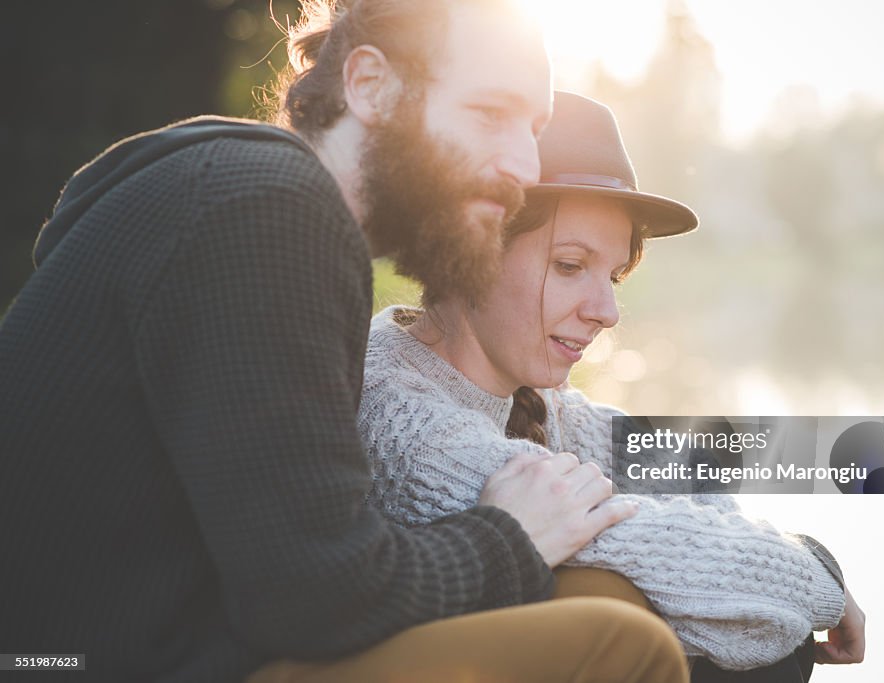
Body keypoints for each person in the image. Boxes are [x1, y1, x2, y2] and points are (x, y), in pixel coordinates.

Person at [0, 2, 691, 682]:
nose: (523, 163)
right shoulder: (266, 209)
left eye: (533, 128)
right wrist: (507, 537)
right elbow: (316, 596)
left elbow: (304, 561)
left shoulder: (262, 200)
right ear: (370, 86)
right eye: (490, 114)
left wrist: (770, 460)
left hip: (188, 638)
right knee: (623, 643)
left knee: (598, 596)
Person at [359, 91, 867, 680]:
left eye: (615, 275)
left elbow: (683, 468)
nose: (607, 311)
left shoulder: (530, 398)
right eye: (570, 266)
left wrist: (802, 556)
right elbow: (689, 563)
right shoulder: (405, 422)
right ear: (467, 250)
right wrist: (819, 580)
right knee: (645, 604)